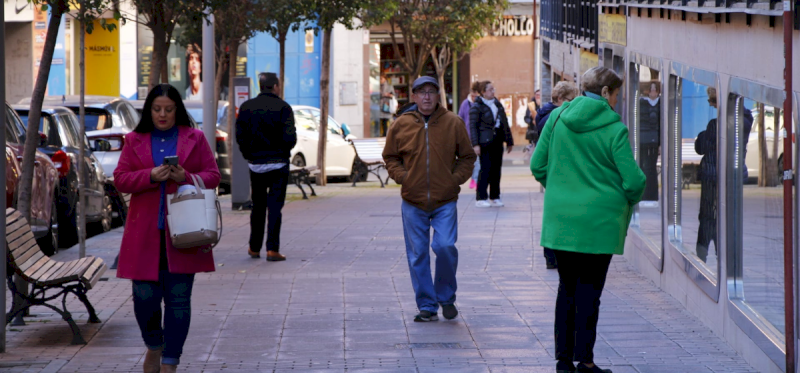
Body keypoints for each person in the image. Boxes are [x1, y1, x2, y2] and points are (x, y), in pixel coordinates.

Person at [530, 66, 645, 373]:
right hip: (600, 224)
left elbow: (537, 165)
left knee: (566, 289)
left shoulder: (556, 118)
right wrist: (620, 201)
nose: (617, 102)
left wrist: (560, 188)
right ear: (605, 93)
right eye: (617, 94)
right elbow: (634, 181)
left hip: (562, 222)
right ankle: (586, 361)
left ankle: (563, 361)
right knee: (590, 292)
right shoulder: (614, 128)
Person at [114, 84, 221, 373]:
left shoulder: (194, 138)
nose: (163, 115)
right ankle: (154, 346)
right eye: (157, 109)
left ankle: (170, 362)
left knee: (178, 301)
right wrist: (149, 175)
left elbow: (213, 176)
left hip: (185, 233)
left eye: (169, 109)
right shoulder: (134, 139)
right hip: (144, 234)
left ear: (178, 110)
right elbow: (121, 179)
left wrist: (185, 175)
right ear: (149, 110)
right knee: (144, 298)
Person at [382, 76, 476, 322]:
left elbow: (467, 157)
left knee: (444, 247)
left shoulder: (453, 123)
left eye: (431, 92)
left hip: (445, 200)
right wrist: (403, 177)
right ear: (413, 96)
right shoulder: (401, 124)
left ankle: (446, 297)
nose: (426, 96)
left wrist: (453, 180)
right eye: (421, 92)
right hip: (413, 200)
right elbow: (390, 156)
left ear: (438, 96)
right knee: (418, 255)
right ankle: (427, 305)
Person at [236, 72, 297, 262]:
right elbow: (290, 138)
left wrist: (249, 156)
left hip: (256, 166)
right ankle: (272, 249)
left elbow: (240, 136)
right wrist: (281, 151)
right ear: (276, 86)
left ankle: (254, 247)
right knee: (275, 208)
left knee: (258, 207)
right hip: (278, 165)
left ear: (260, 87)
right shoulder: (284, 108)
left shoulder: (247, 107)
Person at [533, 81, 579, 269]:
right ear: (560, 99)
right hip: (557, 173)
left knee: (554, 217)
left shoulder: (546, 114)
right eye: (571, 100)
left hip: (553, 174)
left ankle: (552, 257)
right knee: (557, 219)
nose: (573, 104)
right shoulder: (554, 117)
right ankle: (553, 257)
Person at [469, 81, 514, 208]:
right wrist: (475, 144)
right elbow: (473, 127)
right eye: (490, 89)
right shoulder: (477, 106)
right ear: (483, 92)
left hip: (497, 140)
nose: (493, 91)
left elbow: (504, 123)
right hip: (484, 142)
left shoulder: (497, 104)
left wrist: (509, 141)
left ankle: (495, 196)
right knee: (485, 169)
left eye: (493, 89)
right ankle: (481, 197)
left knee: (496, 170)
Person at [639, 81, 661, 201]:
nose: (653, 92)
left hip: (654, 140)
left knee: (651, 168)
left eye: (655, 89)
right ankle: (644, 194)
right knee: (642, 166)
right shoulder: (641, 102)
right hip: (643, 139)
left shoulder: (661, 104)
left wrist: (661, 144)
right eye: (651, 89)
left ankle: (651, 195)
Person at [458, 81, 482, 189]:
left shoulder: (481, 104)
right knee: (474, 160)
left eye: (476, 95)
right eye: (473, 94)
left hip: (479, 137)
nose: (474, 97)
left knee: (478, 161)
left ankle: (475, 179)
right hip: (468, 137)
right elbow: (460, 119)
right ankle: (474, 179)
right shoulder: (465, 104)